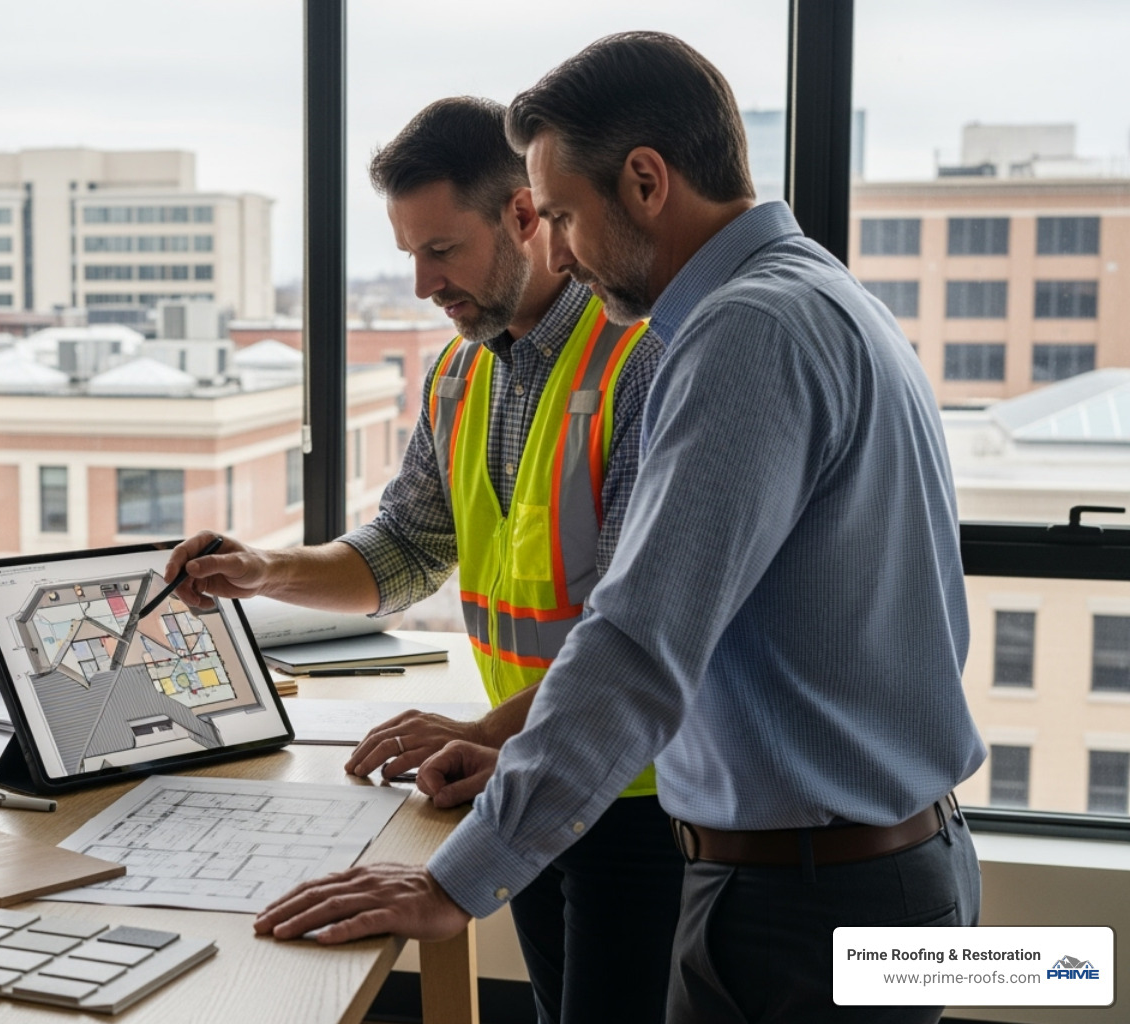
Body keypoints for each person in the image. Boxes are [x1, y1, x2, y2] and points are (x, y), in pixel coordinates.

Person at [253, 32, 987, 1024]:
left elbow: (638, 642)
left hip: (809, 904)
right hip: (885, 871)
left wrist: (453, 883)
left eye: (559, 214)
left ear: (645, 180)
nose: (553, 247)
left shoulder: (747, 334)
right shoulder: (823, 294)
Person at [165, 96, 681, 1023]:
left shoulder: (641, 363)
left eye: (440, 251)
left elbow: (639, 630)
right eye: (408, 253)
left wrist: (488, 736)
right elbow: (406, 550)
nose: (419, 284)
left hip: (640, 793)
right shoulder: (460, 372)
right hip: (526, 773)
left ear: (525, 217)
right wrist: (263, 570)